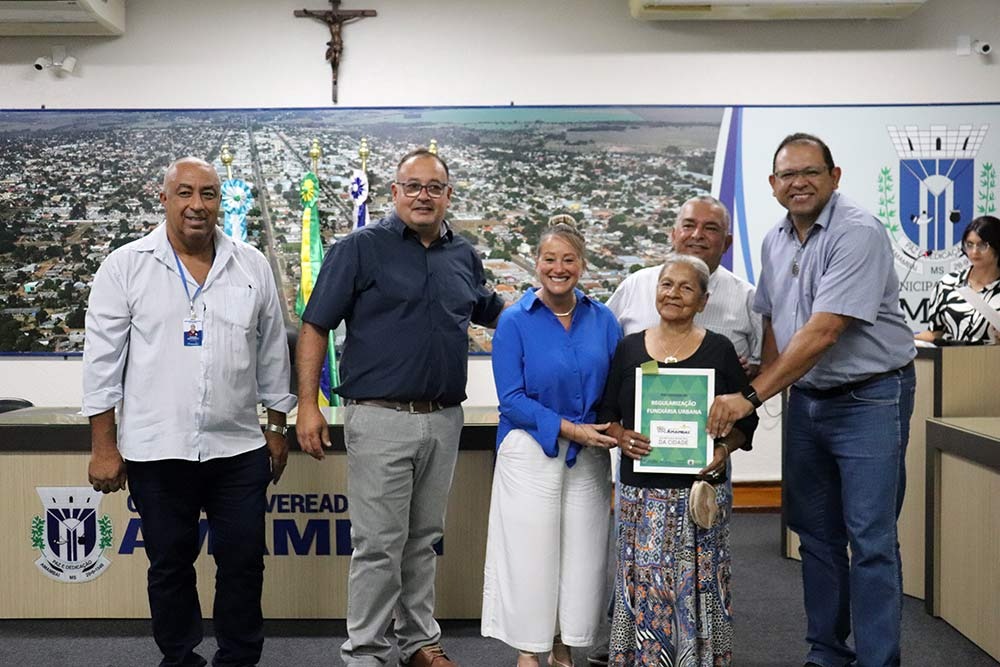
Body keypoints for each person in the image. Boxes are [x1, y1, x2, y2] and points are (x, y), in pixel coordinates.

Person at [709, 133, 917, 667]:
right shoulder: (775, 240)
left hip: (870, 397)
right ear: (773, 186)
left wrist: (752, 395)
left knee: (870, 539)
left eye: (811, 172)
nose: (798, 182)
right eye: (787, 175)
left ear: (835, 176)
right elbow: (775, 318)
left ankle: (877, 660)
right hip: (809, 400)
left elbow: (825, 330)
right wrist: (775, 385)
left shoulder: (858, 232)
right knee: (816, 536)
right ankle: (826, 653)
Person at [83, 156, 296, 667]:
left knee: (244, 562)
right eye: (184, 193)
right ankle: (179, 659)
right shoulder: (125, 266)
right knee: (170, 566)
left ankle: (238, 659)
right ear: (164, 199)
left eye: (208, 194)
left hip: (238, 446)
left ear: (220, 200)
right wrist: (103, 446)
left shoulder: (252, 265)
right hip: (158, 448)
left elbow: (271, 354)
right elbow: (102, 363)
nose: (197, 205)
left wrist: (276, 426)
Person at [296, 148, 505, 667]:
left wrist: (552, 297)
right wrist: (307, 405)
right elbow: (315, 325)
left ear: (448, 195)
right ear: (393, 193)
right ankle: (366, 652)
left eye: (434, 187)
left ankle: (418, 643)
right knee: (378, 545)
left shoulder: (463, 255)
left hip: (443, 418)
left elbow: (497, 313)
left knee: (422, 541)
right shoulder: (360, 249)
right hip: (380, 417)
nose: (423, 196)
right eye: (412, 186)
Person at [587, 195, 762, 667]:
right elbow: (609, 415)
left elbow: (748, 419)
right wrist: (622, 438)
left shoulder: (721, 352)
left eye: (685, 289)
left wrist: (724, 449)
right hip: (641, 494)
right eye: (666, 285)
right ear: (654, 291)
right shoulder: (628, 350)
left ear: (703, 301)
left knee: (701, 581)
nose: (673, 294)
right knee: (641, 581)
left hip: (699, 492)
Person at [481, 222, 622, 667]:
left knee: (582, 557)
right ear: (536, 263)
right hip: (529, 453)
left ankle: (561, 645)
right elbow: (512, 401)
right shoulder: (514, 321)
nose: (558, 268)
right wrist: (571, 429)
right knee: (531, 557)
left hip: (590, 458)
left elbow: (617, 389)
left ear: (582, 264)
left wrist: (614, 427)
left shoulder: (604, 321)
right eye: (549, 259)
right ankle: (529, 650)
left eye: (568, 259)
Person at [607, 195, 762, 373]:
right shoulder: (635, 285)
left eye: (710, 229)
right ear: (673, 235)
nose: (697, 235)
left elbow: (764, 365)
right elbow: (602, 346)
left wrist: (750, 372)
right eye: (688, 226)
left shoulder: (748, 298)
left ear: (726, 243)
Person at [915, 215, 1000, 344]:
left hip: (991, 362)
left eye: (982, 245)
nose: (974, 251)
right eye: (969, 245)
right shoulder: (948, 284)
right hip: (952, 361)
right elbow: (934, 333)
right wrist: (906, 338)